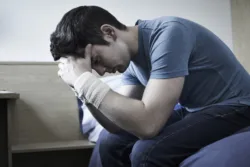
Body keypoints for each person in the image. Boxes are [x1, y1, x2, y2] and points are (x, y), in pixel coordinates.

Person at [49, 5, 250, 167]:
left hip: (240, 105)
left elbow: (148, 125)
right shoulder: (131, 60)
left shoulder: (169, 33)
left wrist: (85, 81)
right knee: (110, 142)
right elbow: (117, 125)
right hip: (197, 109)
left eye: (97, 60)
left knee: (147, 152)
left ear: (109, 32)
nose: (100, 72)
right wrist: (82, 88)